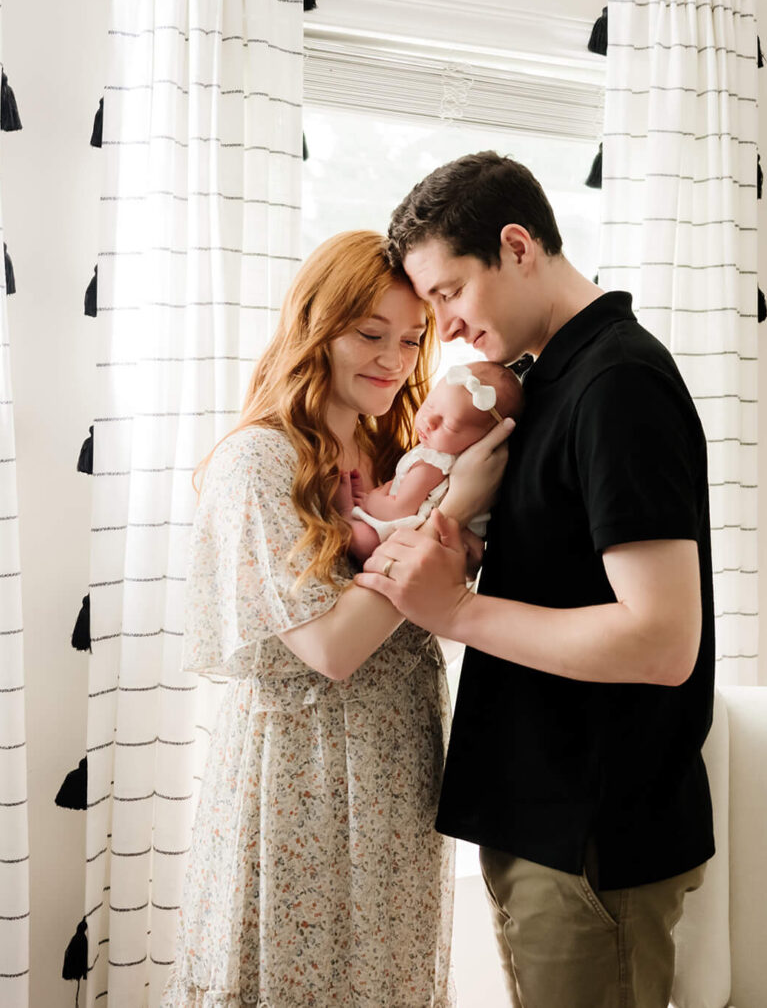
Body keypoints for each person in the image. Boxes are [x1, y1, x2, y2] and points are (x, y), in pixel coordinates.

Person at [358, 152, 716, 1008]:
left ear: (517, 245)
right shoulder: (541, 383)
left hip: (591, 835)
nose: (441, 326)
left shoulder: (617, 384)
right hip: (546, 823)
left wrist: (456, 610)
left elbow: (663, 640)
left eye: (448, 293)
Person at [164, 230, 512, 1008]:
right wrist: (451, 509)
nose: (394, 358)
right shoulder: (260, 461)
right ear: (317, 326)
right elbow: (329, 646)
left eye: (413, 338)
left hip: (397, 768)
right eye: (370, 334)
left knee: (384, 981)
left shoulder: (401, 448)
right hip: (302, 776)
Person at [339, 361, 524, 559]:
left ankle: (346, 513)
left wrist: (370, 499)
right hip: (438, 541)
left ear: (484, 439)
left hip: (411, 538)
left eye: (449, 426)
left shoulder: (433, 464)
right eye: (429, 405)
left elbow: (398, 509)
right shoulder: (441, 451)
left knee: (365, 542)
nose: (429, 422)